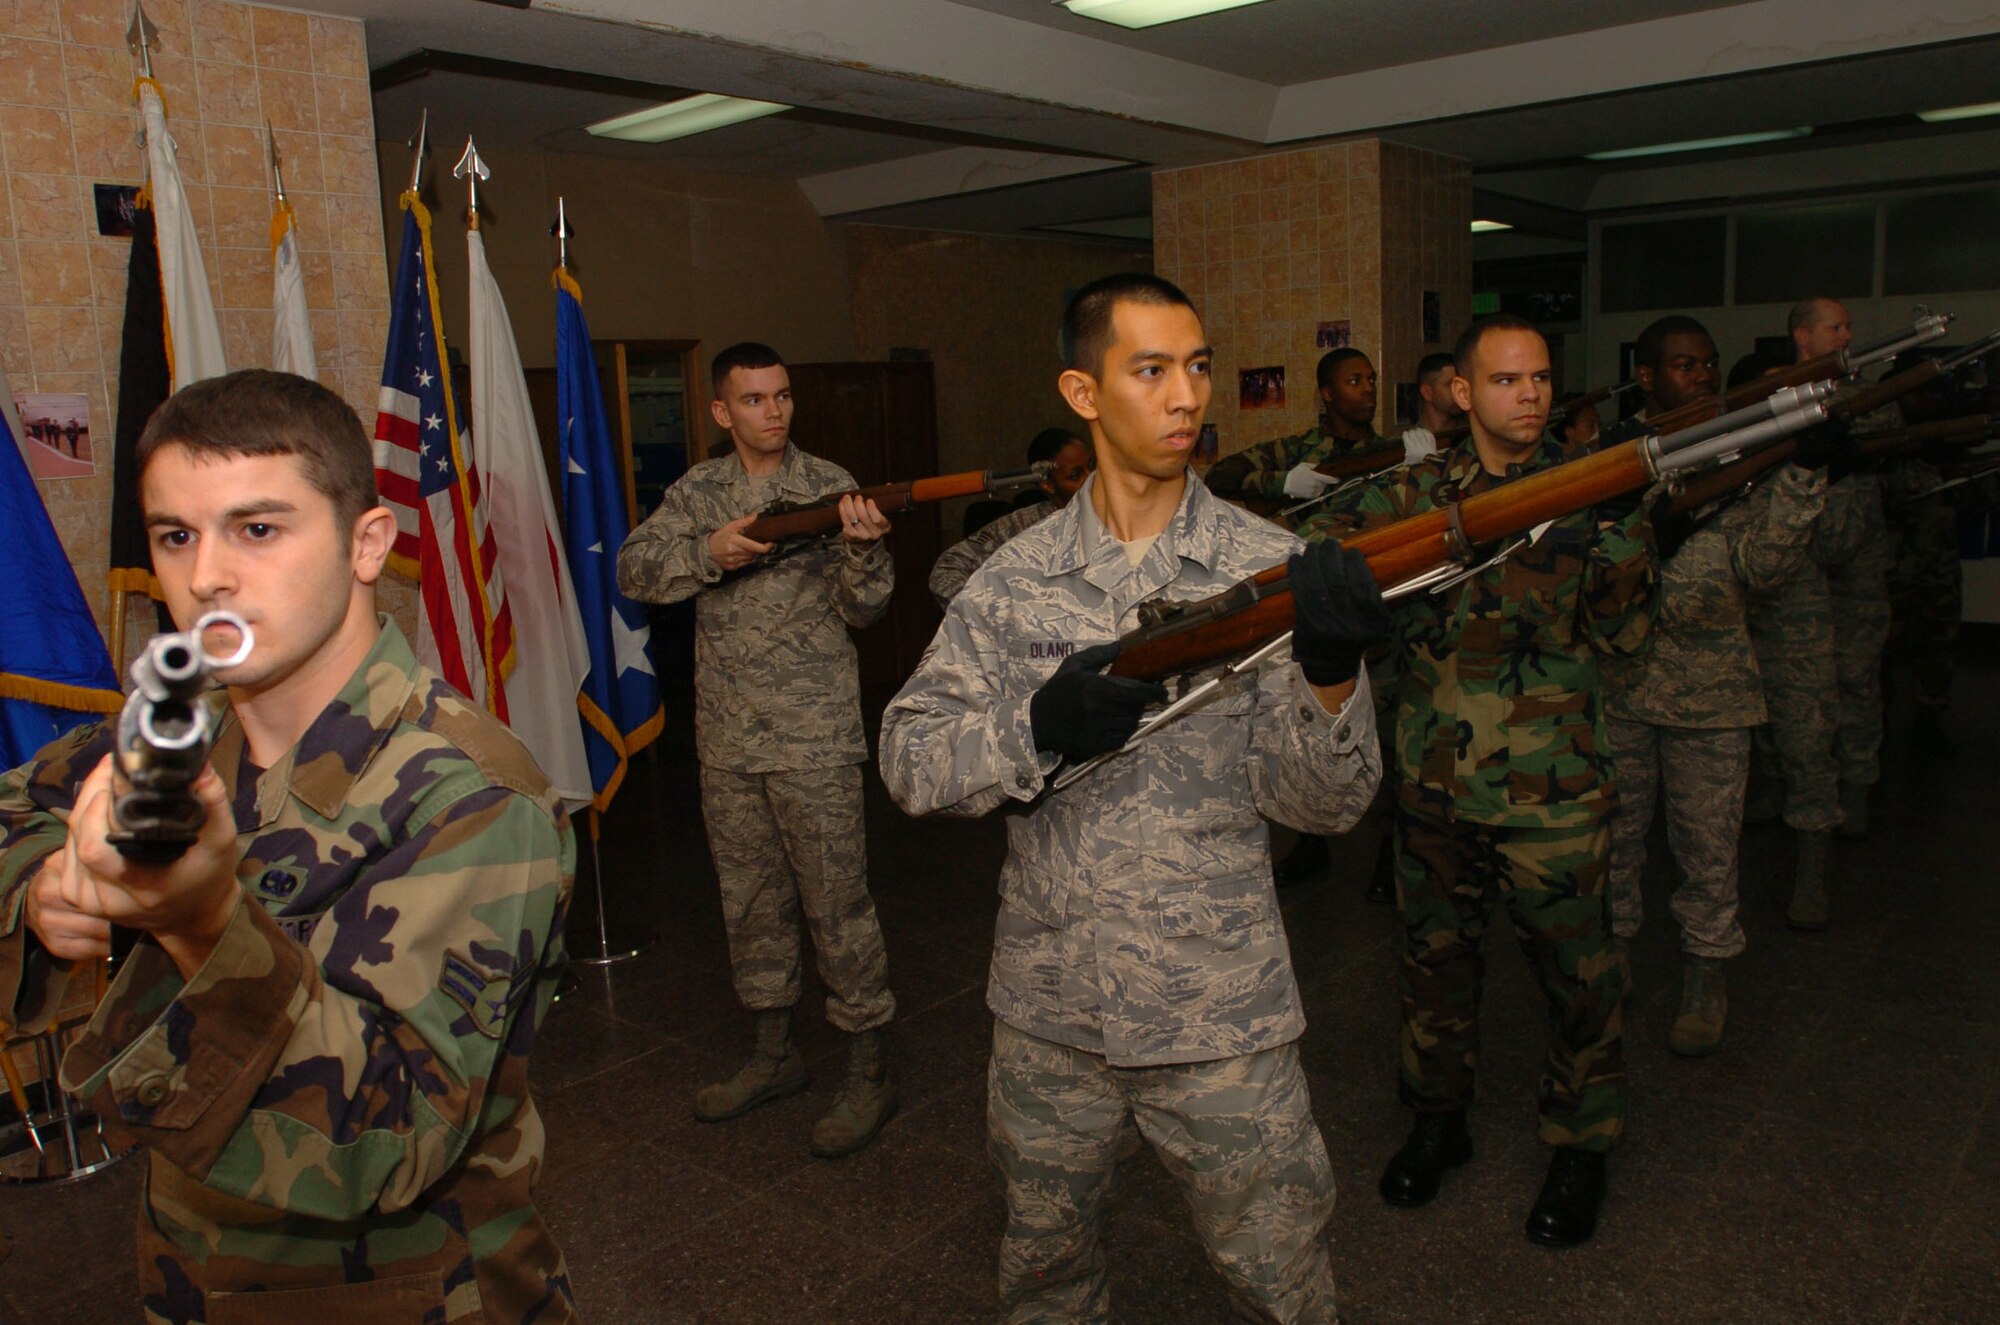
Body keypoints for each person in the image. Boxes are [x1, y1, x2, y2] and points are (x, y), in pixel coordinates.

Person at [0, 369, 578, 1323]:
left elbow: (389, 1137)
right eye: (175, 535)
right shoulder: (174, 739)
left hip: (415, 1294)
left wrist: (203, 923)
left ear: (367, 545)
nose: (207, 577)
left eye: (257, 529)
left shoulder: (471, 792)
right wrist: (45, 896)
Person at [882, 273, 1388, 1324]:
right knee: (1042, 1268)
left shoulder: (1271, 571)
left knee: (1281, 1276)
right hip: (1049, 1009)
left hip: (1218, 1010)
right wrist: (1031, 729)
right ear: (1081, 389)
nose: (1184, 395)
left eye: (1197, 366)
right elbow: (907, 756)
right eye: (1149, 369)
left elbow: (1327, 805)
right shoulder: (1011, 578)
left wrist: (1329, 674)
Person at [1300, 313, 1658, 1249]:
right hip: (1435, 786)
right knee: (1433, 970)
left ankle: (1581, 1145)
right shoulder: (1415, 494)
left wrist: (1624, 522)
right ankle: (1437, 1120)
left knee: (1580, 979)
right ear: (1463, 392)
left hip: (1558, 792)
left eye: (1540, 378)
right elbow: (1320, 559)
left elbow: (1627, 640)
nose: (1530, 395)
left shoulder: (1586, 494)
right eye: (1506, 380)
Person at [617, 341, 899, 1158]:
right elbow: (636, 569)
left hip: (813, 738)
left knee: (837, 906)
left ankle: (865, 1064)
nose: (771, 412)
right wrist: (709, 553)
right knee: (749, 903)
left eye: (781, 396)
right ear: (721, 411)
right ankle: (774, 1054)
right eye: (753, 400)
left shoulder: (829, 484)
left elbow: (868, 608)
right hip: (729, 741)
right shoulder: (700, 492)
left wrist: (865, 548)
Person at [1602, 364, 1836, 1057]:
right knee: (1614, 839)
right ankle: (1610, 960)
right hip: (1624, 685)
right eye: (1683, 364)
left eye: (1707, 361)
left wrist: (1801, 478)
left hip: (1714, 692)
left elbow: (1766, 568)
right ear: (1647, 379)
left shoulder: (1745, 463)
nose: (1701, 374)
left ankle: (1706, 975)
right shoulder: (1620, 463)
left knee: (1707, 848)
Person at [1789, 298, 1893, 836]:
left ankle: (1858, 780)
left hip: (1859, 560)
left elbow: (1889, 437)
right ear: (1803, 336)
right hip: (1797, 561)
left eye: (1849, 326)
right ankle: (1795, 786)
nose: (1847, 335)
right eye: (1836, 327)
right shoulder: (1780, 394)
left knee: (1857, 674)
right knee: (1800, 683)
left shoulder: (1868, 391)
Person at [1202, 347, 1403, 506]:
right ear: (1327, 394)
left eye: (1371, 380)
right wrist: (1286, 483)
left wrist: (1419, 468)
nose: (1369, 389)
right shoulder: (1295, 450)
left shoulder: (1389, 452)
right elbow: (1219, 477)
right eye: (1354, 381)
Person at [929, 428, 1093, 607]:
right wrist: (995, 615)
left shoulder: (1122, 511)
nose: (1092, 478)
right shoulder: (1029, 522)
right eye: (1075, 476)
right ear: (1048, 485)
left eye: (1093, 466)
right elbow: (947, 569)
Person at [1397, 351, 1463, 459]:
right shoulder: (1409, 444)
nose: (1460, 391)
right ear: (1427, 392)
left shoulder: (1471, 437)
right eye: (1451, 385)